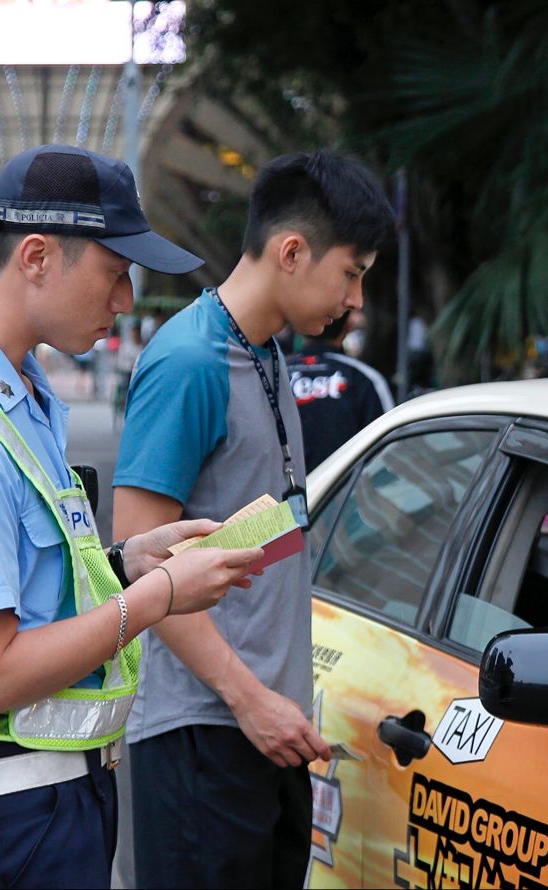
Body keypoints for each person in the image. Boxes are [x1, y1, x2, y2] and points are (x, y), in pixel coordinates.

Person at [0, 144, 265, 889]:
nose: (127, 300)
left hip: (34, 808)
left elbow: (21, 586)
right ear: (37, 257)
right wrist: (155, 601)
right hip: (1, 824)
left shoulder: (13, 389)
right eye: (115, 272)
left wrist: (123, 563)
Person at [111, 150, 396, 889]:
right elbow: (139, 569)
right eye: (352, 272)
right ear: (292, 252)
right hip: (201, 735)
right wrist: (250, 700)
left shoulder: (264, 353)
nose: (356, 299)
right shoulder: (189, 362)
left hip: (265, 730)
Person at [287, 311, 394, 469]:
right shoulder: (364, 377)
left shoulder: (273, 375)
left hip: (276, 492)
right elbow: (388, 448)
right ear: (348, 326)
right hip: (344, 490)